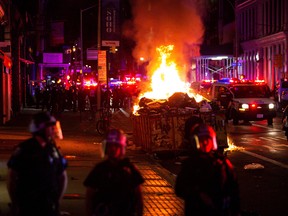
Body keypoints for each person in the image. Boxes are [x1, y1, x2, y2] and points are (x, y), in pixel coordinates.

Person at [7, 111, 68, 216]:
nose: (53, 131)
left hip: (49, 205)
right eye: (50, 127)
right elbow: (12, 177)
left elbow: (62, 176)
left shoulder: (53, 150)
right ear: (40, 128)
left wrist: (57, 202)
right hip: (28, 205)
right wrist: (15, 203)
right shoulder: (24, 149)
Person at [175, 124, 240, 216]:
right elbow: (179, 189)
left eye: (207, 139)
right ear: (195, 142)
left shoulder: (222, 163)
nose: (205, 143)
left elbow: (234, 192)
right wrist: (198, 194)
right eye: (201, 140)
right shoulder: (190, 164)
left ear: (212, 141)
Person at [84, 128, 144, 216]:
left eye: (116, 146)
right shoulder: (100, 169)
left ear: (121, 147)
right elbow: (89, 195)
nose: (112, 149)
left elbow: (139, 197)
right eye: (110, 146)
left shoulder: (130, 169)